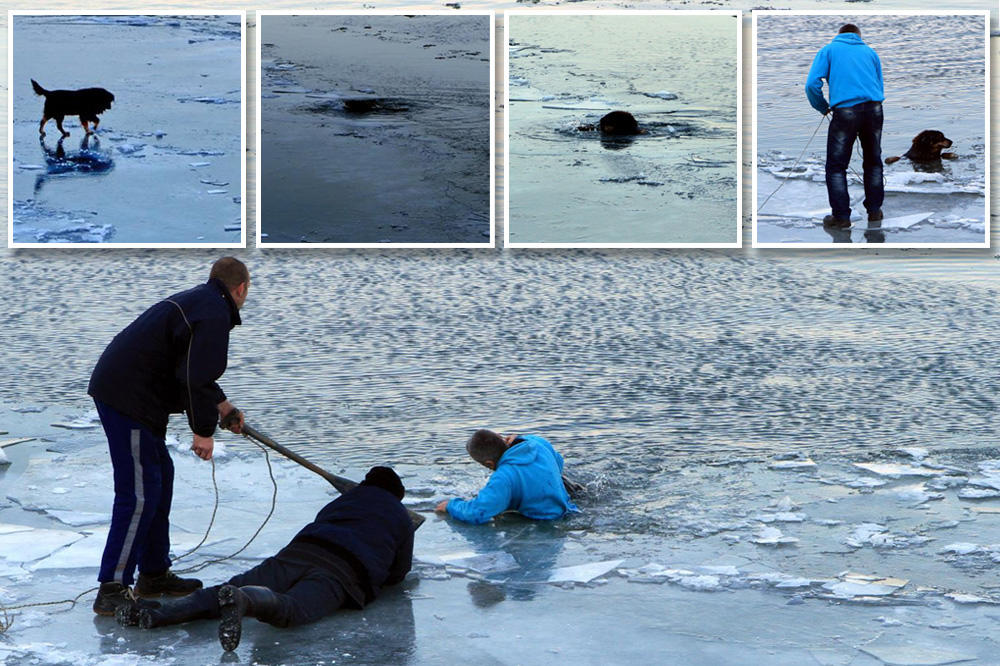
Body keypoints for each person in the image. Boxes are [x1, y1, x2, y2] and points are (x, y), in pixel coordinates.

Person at [88, 257, 250, 616]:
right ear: (241, 289)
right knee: (140, 493)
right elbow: (193, 377)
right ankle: (112, 587)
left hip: (133, 394)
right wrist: (203, 431)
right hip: (126, 397)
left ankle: (154, 573)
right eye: (246, 293)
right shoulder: (213, 313)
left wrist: (223, 408)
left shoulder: (204, 303)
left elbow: (193, 370)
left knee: (160, 477)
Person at [116, 467, 415, 653]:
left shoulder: (344, 499)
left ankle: (156, 612)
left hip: (300, 550)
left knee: (223, 589)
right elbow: (397, 573)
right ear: (396, 495)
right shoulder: (401, 517)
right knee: (292, 608)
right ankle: (247, 601)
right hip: (342, 571)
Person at [805, 23, 885, 229]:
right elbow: (879, 84)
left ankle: (841, 217)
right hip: (875, 109)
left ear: (839, 35)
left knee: (836, 167)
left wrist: (822, 107)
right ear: (859, 35)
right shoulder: (870, 52)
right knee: (873, 162)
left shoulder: (829, 50)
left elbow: (812, 84)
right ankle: (875, 212)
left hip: (846, 111)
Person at [435, 429, 578, 524]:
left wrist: (451, 505)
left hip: (544, 521)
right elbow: (558, 462)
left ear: (489, 464)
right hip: (569, 508)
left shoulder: (503, 476)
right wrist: (521, 439)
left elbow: (478, 512)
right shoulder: (536, 442)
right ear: (503, 439)